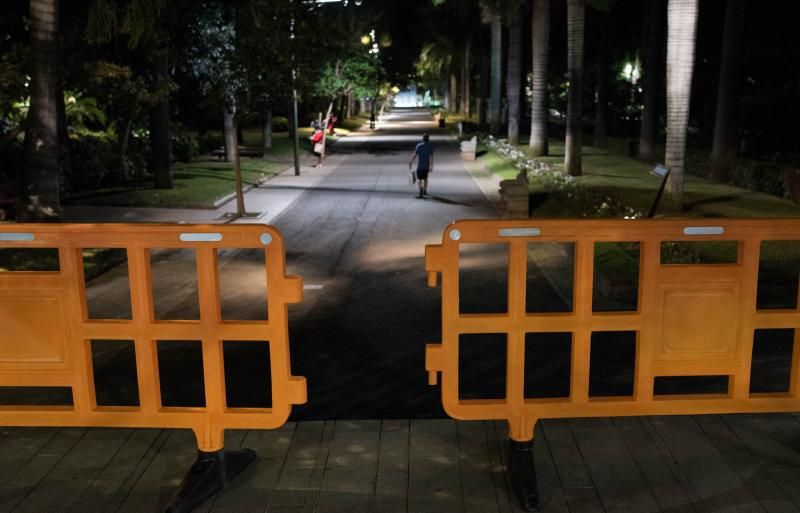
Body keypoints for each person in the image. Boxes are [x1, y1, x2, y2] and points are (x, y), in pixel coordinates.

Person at [409, 134, 434, 198]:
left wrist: (411, 161)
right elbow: (430, 158)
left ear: (422, 139)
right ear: (428, 139)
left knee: (419, 179)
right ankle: (425, 190)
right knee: (425, 179)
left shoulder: (418, 146)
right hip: (426, 166)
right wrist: (431, 166)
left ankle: (420, 189)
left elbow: (414, 155)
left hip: (420, 166)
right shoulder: (430, 147)